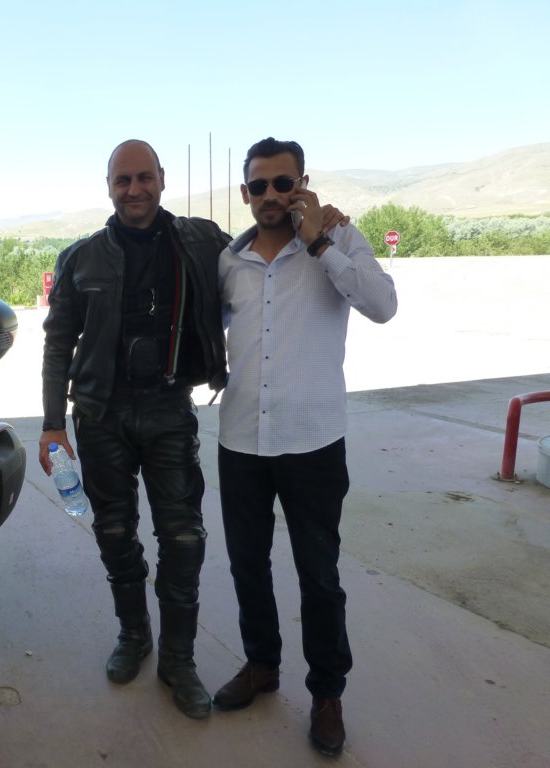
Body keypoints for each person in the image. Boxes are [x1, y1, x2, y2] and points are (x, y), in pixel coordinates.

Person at [212, 137, 398, 756]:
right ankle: (262, 665)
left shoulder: (338, 238)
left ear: (303, 184)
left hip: (313, 441)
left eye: (282, 182)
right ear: (246, 193)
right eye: (259, 185)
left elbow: (383, 306)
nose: (270, 195)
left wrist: (321, 243)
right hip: (241, 440)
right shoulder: (228, 261)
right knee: (247, 565)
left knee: (319, 576)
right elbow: (207, 333)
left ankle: (326, 694)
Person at [39, 139, 230, 719]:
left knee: (184, 538)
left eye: (144, 177)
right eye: (123, 180)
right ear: (109, 187)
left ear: (162, 179)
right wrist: (52, 425)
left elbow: (263, 264)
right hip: (100, 415)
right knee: (115, 532)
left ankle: (178, 659)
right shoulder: (81, 258)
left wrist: (315, 228)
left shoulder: (201, 241)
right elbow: (57, 343)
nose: (134, 189)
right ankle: (134, 635)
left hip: (169, 407)